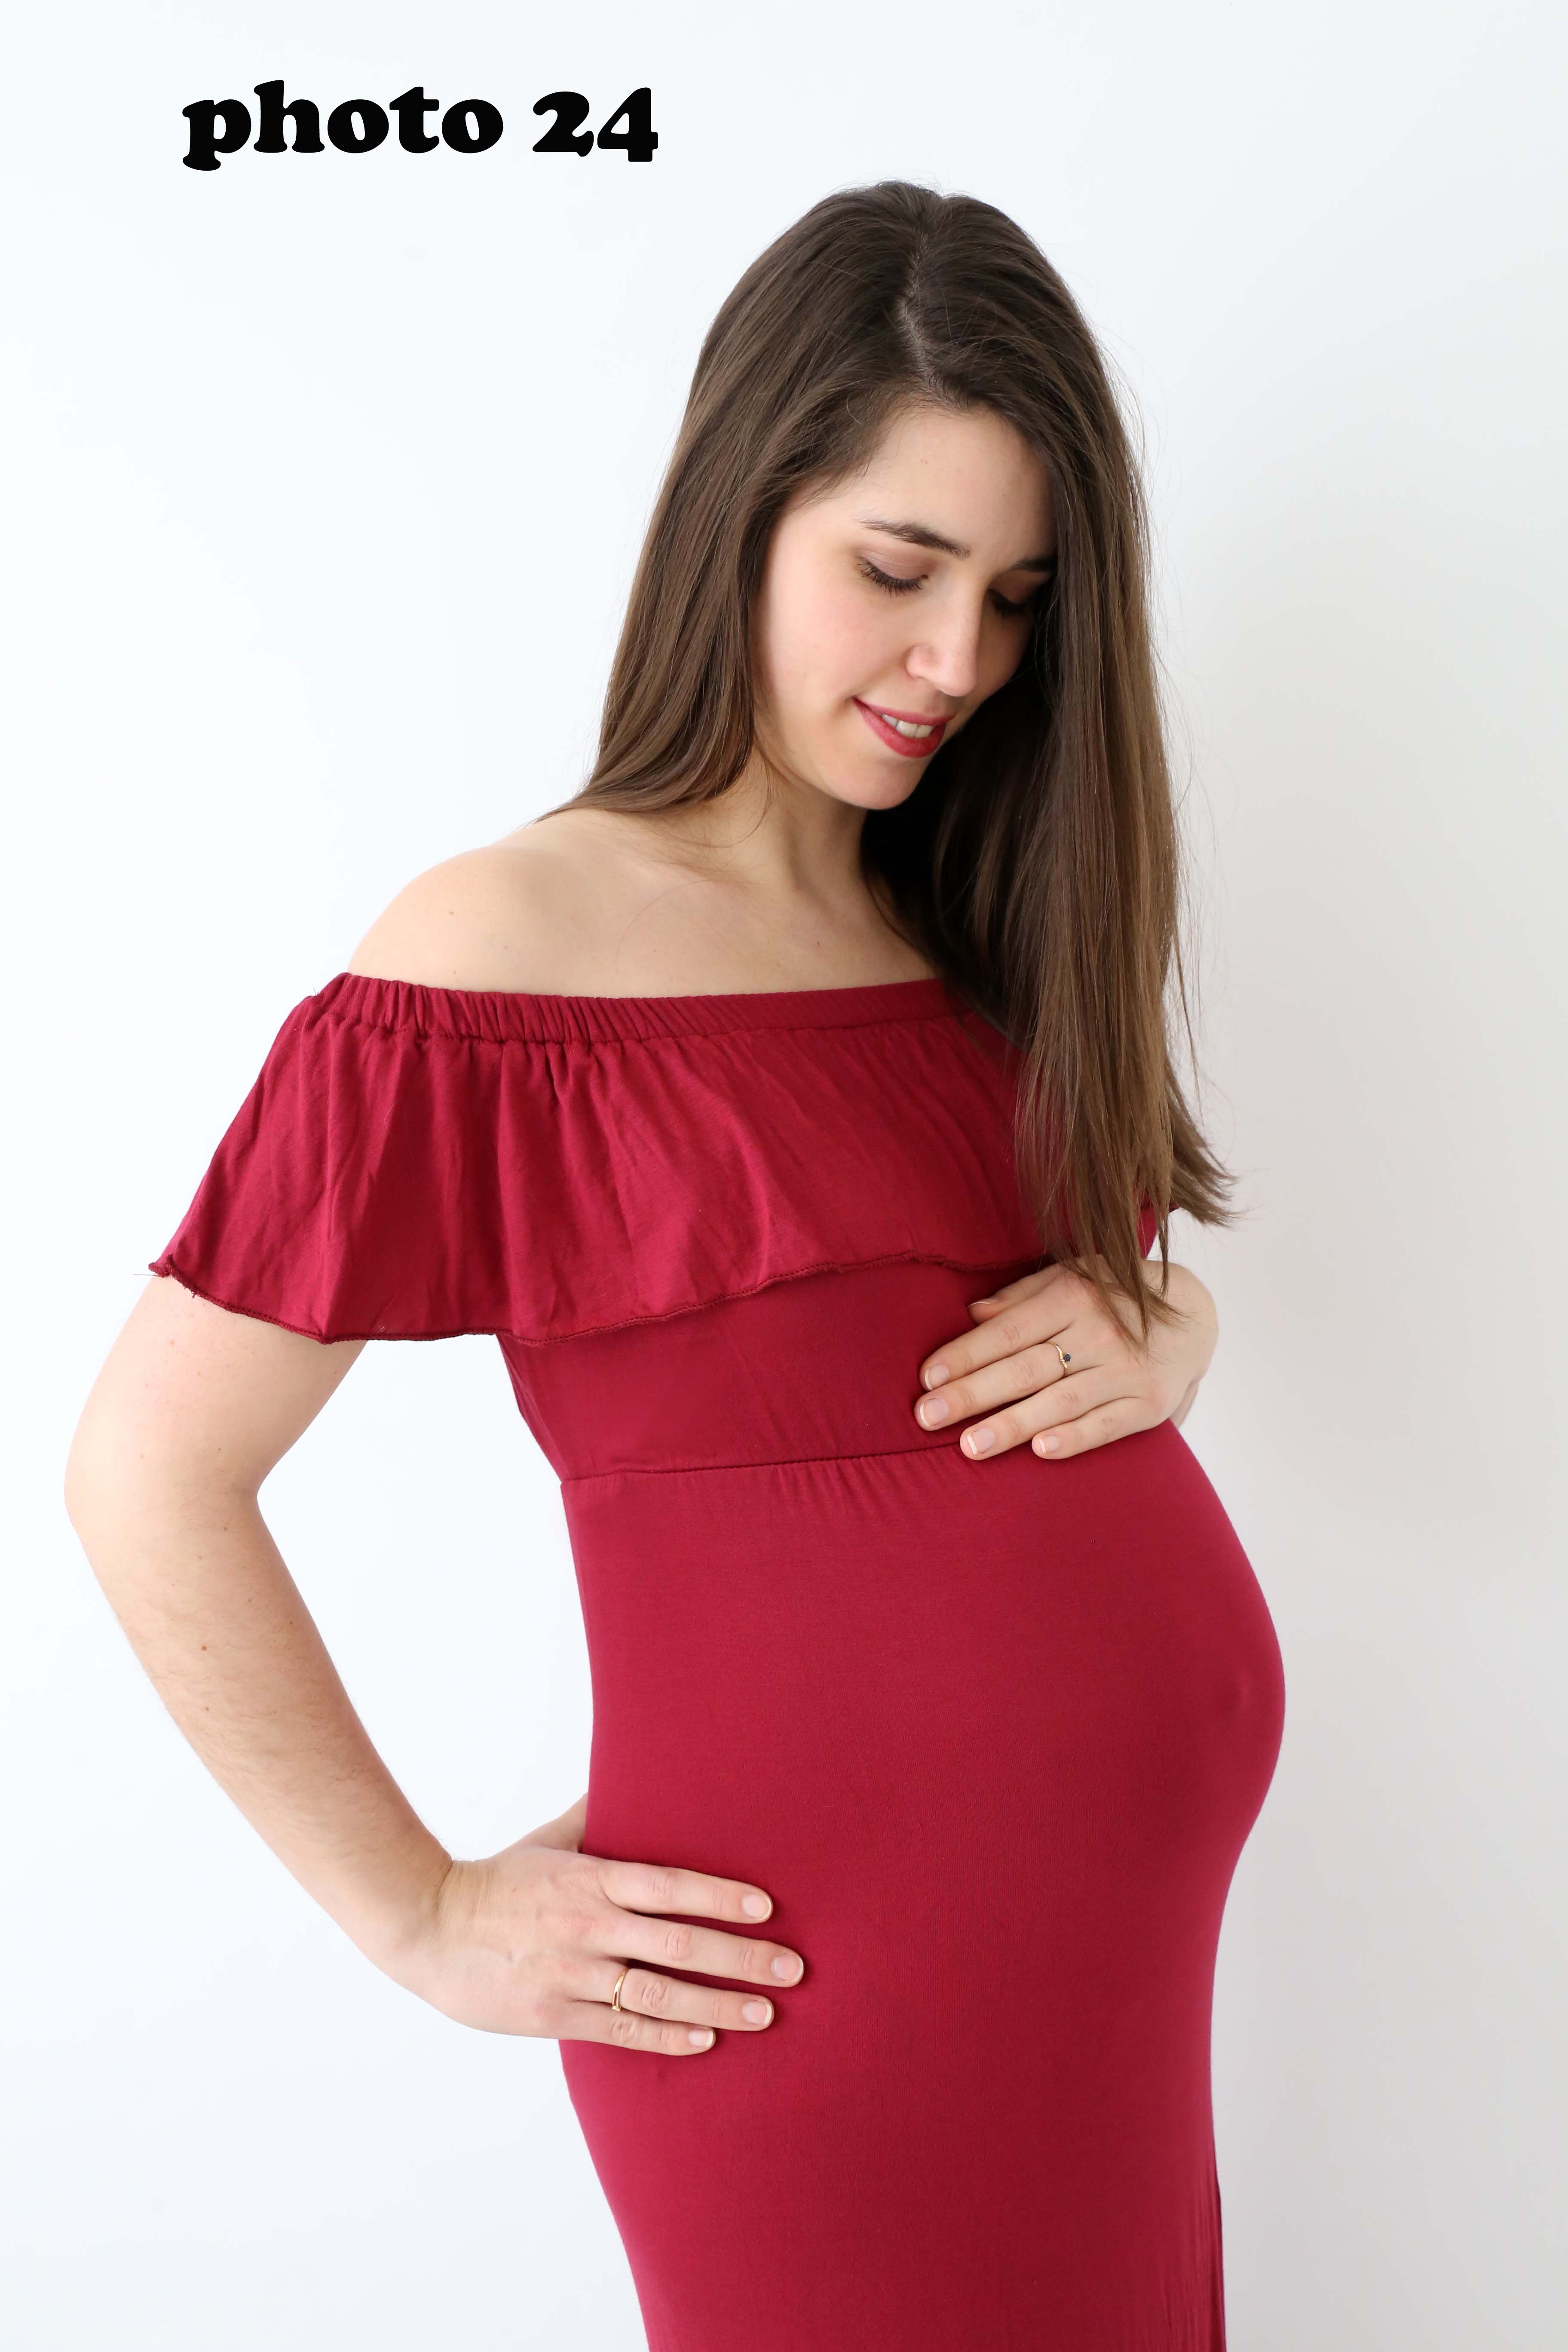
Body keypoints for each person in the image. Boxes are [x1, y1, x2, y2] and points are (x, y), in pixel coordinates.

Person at [65, 181, 1285, 2349]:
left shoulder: (972, 921)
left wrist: (1162, 1320)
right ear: (741, 505)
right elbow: (146, 1471)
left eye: (1017, 599)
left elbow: (1023, 1308)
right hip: (809, 2009)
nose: (958, 664)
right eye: (897, 571)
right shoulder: (503, 947)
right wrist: (420, 1914)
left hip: (1108, 1994)